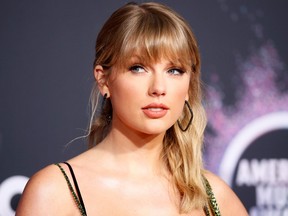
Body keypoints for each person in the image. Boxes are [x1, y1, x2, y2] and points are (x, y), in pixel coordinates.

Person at [16, 2, 248, 216]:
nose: (158, 88)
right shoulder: (55, 193)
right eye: (138, 68)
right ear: (104, 80)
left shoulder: (214, 197)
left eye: (174, 70)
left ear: (189, 86)